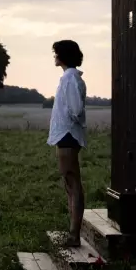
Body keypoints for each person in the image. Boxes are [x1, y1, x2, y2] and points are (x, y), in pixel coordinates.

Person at [47, 39, 87, 247]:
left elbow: (76, 109)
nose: (54, 56)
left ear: (63, 55)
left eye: (56, 53)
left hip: (68, 135)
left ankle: (74, 235)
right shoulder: (69, 78)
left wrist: (69, 121)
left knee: (73, 183)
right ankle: (72, 232)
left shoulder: (70, 78)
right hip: (66, 135)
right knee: (69, 184)